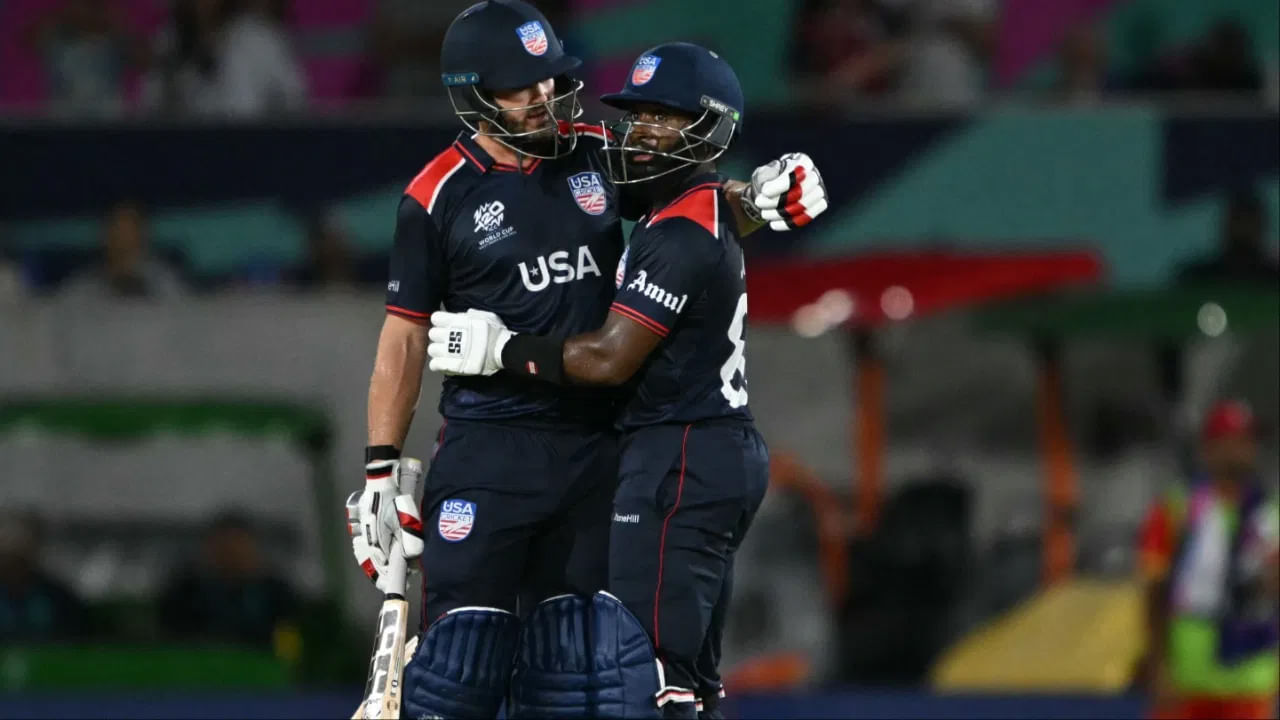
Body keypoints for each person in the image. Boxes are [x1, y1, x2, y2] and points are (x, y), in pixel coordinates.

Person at [342, 3, 828, 718]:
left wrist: (752, 196)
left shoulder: (594, 150)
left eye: (550, 79)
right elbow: (404, 338)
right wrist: (381, 469)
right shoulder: (435, 196)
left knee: (579, 680)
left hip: (598, 453)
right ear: (473, 95)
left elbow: (687, 198)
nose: (544, 96)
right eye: (521, 86)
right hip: (490, 452)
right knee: (459, 670)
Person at [1137, 400, 1278, 720]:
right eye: (1234, 441)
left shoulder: (1271, 513)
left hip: (1251, 683)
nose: (1244, 451)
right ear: (1209, 449)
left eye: (1249, 441)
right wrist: (1159, 666)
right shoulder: (1176, 509)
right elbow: (1154, 593)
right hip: (1187, 681)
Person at [158, 510, 299, 647]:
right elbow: (169, 636)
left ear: (253, 548)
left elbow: (289, 639)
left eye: (238, 544)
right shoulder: (185, 590)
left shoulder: (276, 592)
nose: (231, 553)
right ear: (209, 548)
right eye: (223, 545)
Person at [60, 201, 186, 299]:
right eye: (117, 229)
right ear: (106, 235)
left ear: (143, 235)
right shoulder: (83, 286)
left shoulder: (166, 284)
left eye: (129, 230)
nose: (123, 239)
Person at [0, 509, 87, 642]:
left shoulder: (58, 598)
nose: (13, 564)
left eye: (20, 558)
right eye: (7, 554)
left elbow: (77, 639)